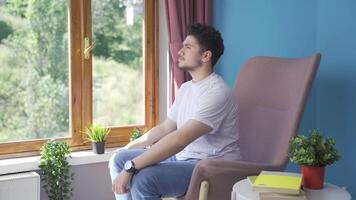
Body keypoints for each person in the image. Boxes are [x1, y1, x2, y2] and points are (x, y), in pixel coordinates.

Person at [109, 23, 240, 200]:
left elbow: (180, 139)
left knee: (144, 179)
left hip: (209, 166)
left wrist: (132, 166)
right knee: (118, 159)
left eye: (188, 47)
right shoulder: (186, 88)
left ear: (206, 55)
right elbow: (165, 129)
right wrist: (128, 149)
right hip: (182, 158)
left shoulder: (217, 92)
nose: (179, 51)